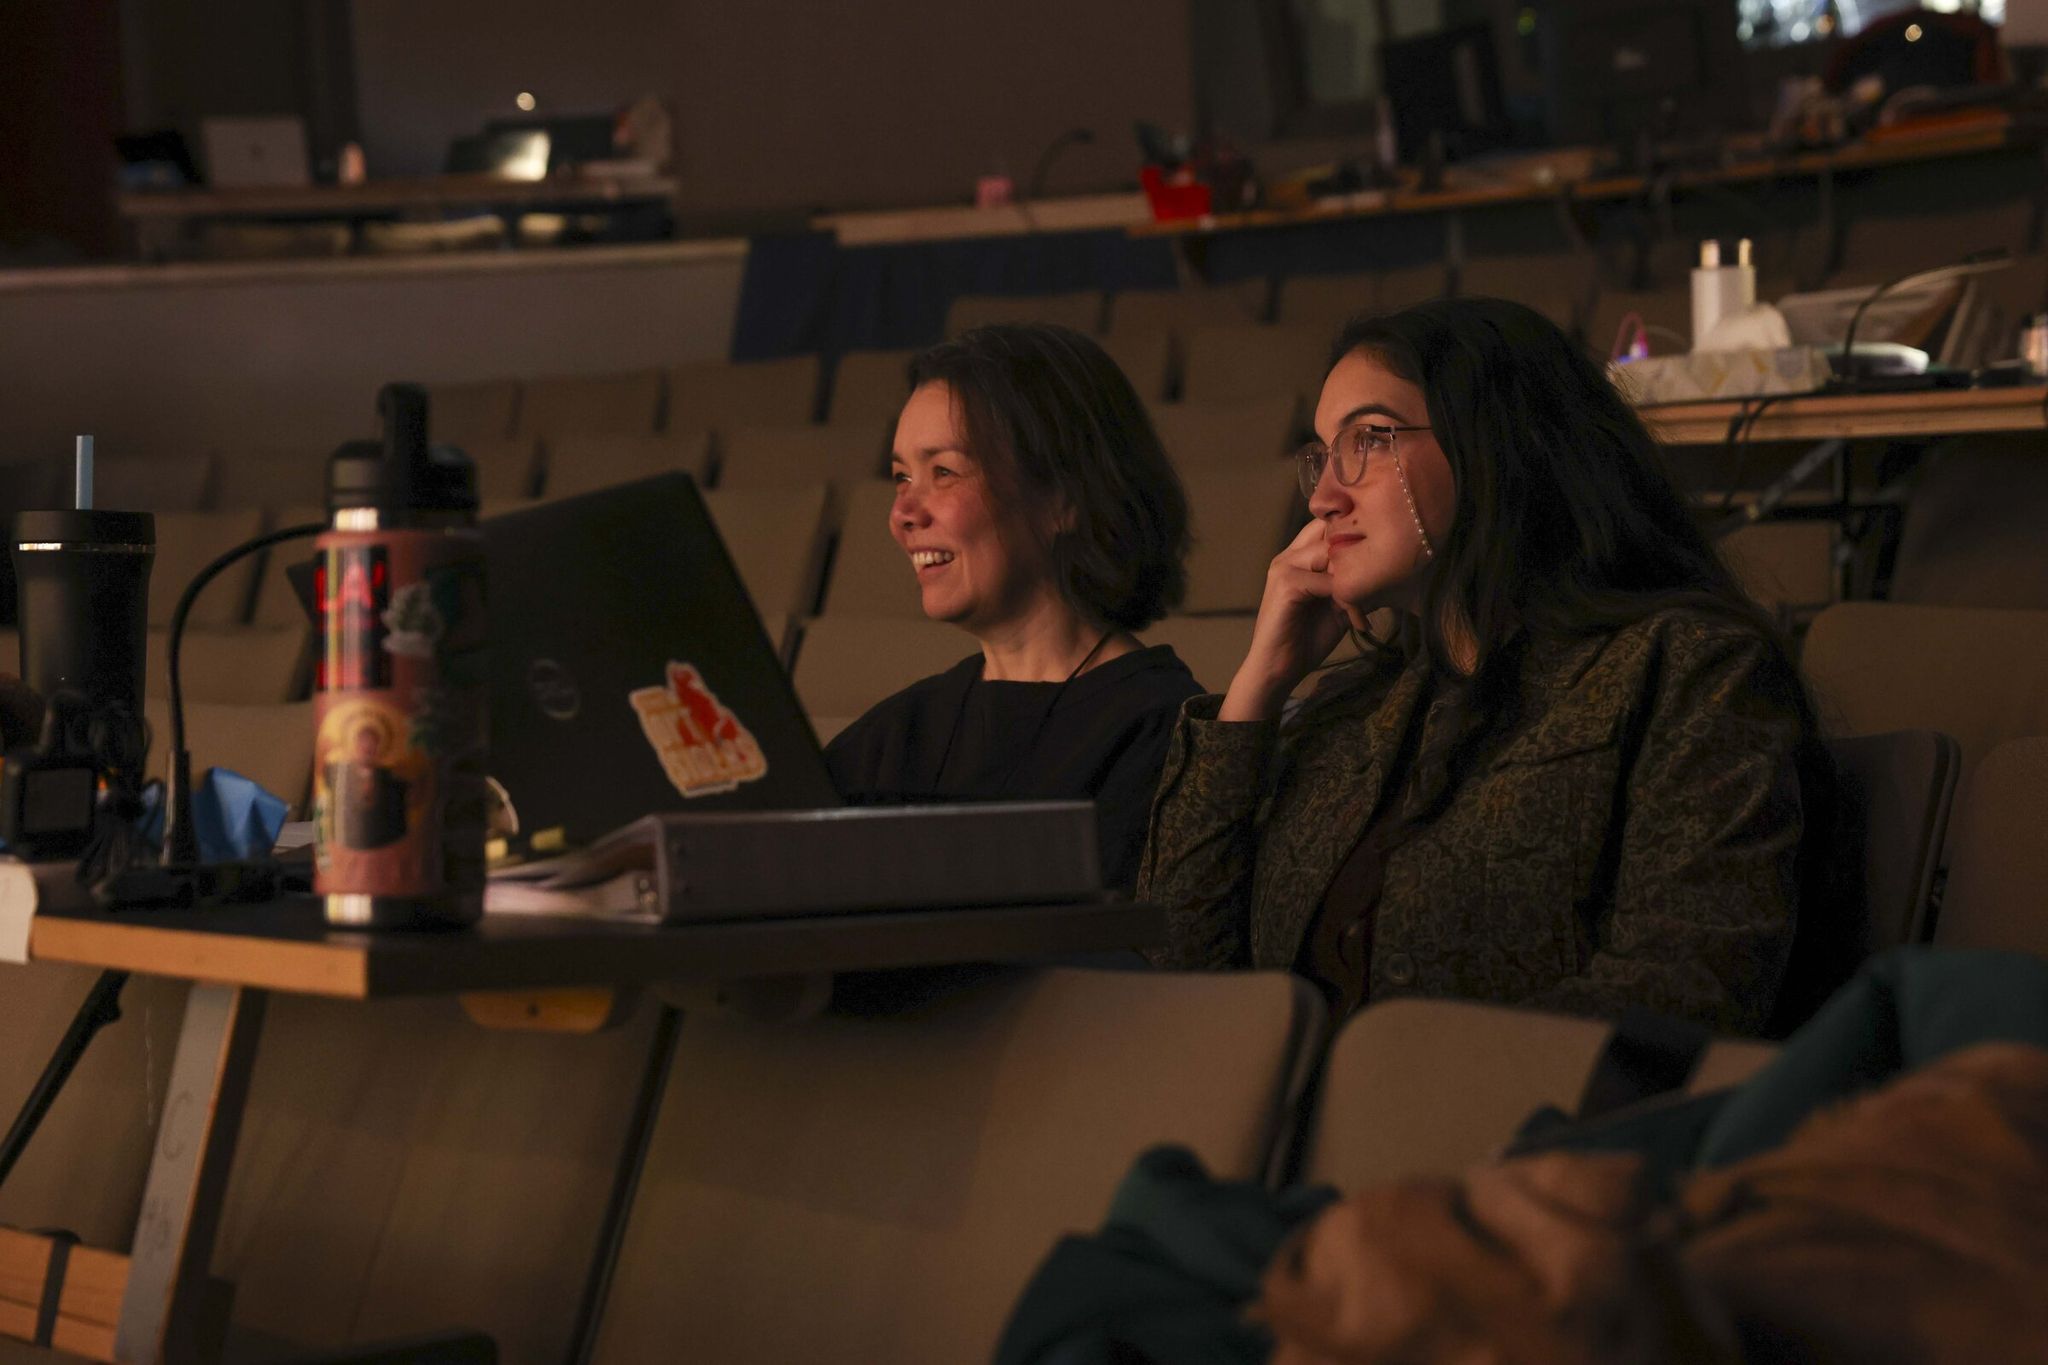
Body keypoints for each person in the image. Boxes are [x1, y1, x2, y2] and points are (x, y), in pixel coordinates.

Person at [1140, 297, 1826, 1035]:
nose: (1322, 497)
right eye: (1323, 452)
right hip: (1304, 1139)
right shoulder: (1353, 714)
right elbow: (1182, 972)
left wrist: (1389, 1092)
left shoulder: (1685, 669)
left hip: (1527, 1136)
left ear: (1495, 447)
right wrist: (1257, 689)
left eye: (1368, 439)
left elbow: (1690, 985)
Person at [825, 323, 1202, 896]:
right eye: (901, 476)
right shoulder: (901, 729)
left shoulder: (1160, 730)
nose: (902, 512)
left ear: (1063, 499)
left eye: (943, 472)